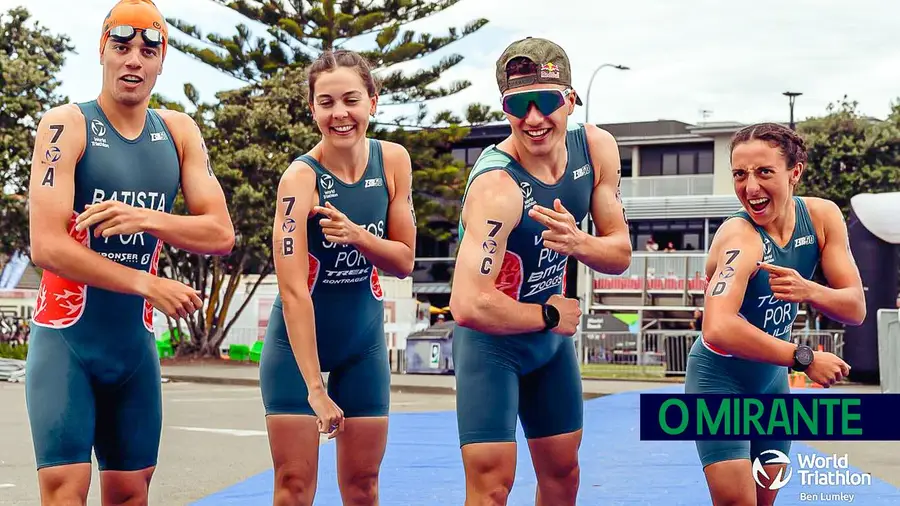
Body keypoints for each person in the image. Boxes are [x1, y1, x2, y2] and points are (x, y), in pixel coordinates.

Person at [25, 0, 236, 504]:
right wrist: (146, 282)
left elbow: (220, 233)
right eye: (121, 48)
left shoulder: (178, 132)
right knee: (64, 490)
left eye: (148, 50)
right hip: (67, 344)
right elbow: (47, 244)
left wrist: (147, 217)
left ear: (162, 61)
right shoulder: (65, 125)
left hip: (133, 352)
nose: (133, 61)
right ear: (102, 50)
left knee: (130, 493)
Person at [448, 37, 632, 506]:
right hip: (493, 347)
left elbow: (618, 254)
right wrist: (547, 317)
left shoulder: (596, 149)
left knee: (563, 473)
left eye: (547, 101)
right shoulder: (497, 187)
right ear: (505, 109)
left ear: (571, 99)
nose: (533, 119)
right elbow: (467, 303)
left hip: (550, 347)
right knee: (491, 487)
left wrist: (579, 243)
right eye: (518, 105)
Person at [258, 49, 416, 506]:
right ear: (313, 110)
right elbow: (292, 291)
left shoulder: (393, 161)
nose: (339, 114)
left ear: (372, 101)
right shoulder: (300, 178)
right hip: (295, 348)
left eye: (350, 99)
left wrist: (357, 236)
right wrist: (314, 389)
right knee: (294, 485)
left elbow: (403, 261)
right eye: (326, 103)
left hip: (362, 345)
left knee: (363, 486)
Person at [685, 122, 865, 505]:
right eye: (739, 174)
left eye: (764, 172)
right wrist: (804, 358)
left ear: (794, 172)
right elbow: (718, 328)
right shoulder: (741, 236)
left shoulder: (821, 218)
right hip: (719, 379)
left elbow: (855, 307)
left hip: (771, 383)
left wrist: (809, 289)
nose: (750, 188)